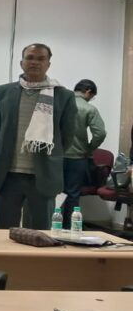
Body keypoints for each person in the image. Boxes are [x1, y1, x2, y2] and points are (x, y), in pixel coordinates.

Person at [0, 43, 78, 230]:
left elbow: (67, 137)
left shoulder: (63, 96)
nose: (35, 62)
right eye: (30, 58)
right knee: (5, 234)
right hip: (8, 176)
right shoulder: (3, 92)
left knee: (40, 234)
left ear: (48, 64)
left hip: (43, 176)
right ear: (21, 62)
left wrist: (50, 155)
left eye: (41, 59)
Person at [62, 79, 106, 228]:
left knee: (53, 193)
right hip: (77, 158)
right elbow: (100, 133)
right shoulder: (89, 108)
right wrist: (88, 148)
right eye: (91, 96)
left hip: (55, 157)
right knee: (73, 194)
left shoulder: (60, 103)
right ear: (88, 91)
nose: (90, 99)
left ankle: (51, 227)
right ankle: (69, 229)